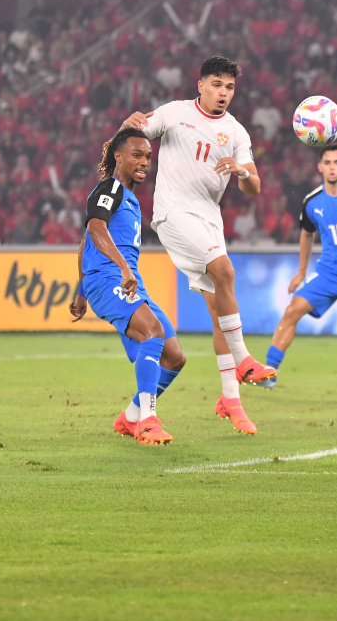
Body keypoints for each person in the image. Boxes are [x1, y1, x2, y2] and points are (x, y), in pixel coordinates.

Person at [120, 56, 276, 435]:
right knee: (225, 272)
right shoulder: (175, 113)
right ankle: (243, 359)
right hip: (173, 214)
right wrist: (131, 123)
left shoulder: (237, 132)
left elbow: (254, 186)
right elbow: (135, 134)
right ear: (201, 84)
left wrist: (243, 172)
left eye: (230, 87)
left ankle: (228, 400)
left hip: (209, 220)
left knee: (219, 304)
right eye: (217, 84)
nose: (224, 93)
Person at [69, 128, 186, 445]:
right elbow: (94, 228)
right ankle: (148, 422)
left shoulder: (129, 198)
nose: (145, 161)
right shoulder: (110, 189)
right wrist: (121, 268)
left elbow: (83, 246)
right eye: (137, 154)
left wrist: (79, 292)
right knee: (153, 333)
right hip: (110, 279)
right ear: (117, 156)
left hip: (123, 281)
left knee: (175, 357)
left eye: (148, 156)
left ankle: (132, 416)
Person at [264, 145, 337, 388]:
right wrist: (301, 272)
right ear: (320, 167)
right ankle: (269, 373)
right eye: (327, 162)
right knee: (291, 311)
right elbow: (306, 235)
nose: (332, 167)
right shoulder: (312, 201)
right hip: (326, 273)